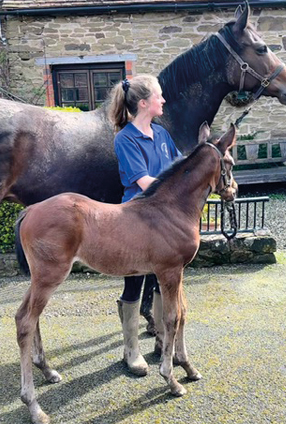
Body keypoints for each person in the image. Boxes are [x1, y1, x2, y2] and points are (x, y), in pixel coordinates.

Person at [109, 74, 182, 376]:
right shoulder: (124, 138)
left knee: (160, 279)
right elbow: (144, 183)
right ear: (143, 103)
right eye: (159, 96)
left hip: (164, 219)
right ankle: (131, 351)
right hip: (137, 219)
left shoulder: (162, 135)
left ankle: (162, 342)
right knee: (134, 282)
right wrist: (181, 187)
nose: (163, 100)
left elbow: (181, 167)